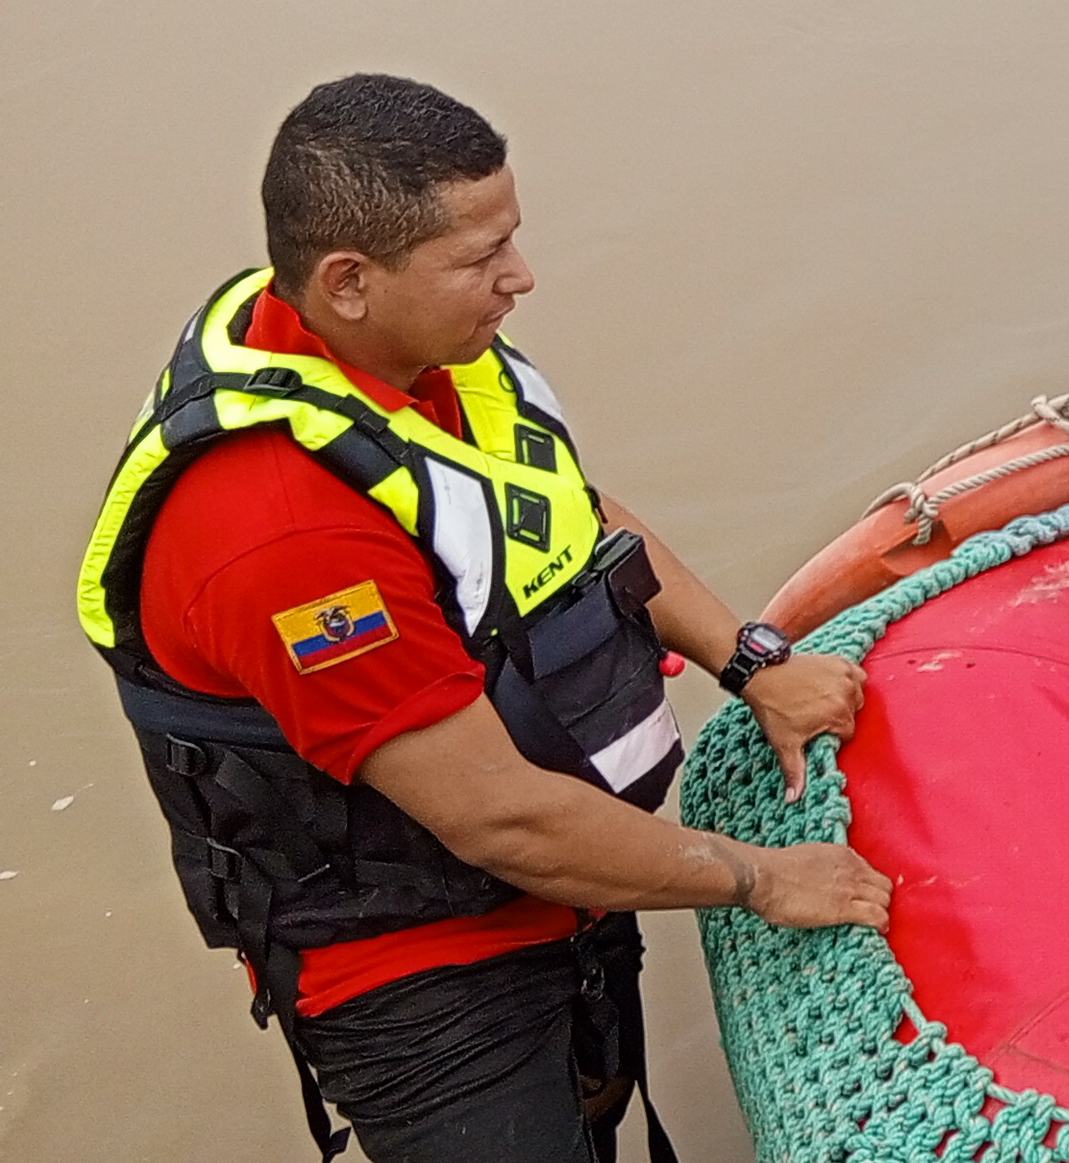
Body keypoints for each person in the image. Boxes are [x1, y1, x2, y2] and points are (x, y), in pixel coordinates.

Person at [79, 75, 895, 1163]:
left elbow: (557, 508)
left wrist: (747, 659)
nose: (522, 277)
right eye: (481, 257)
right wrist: (762, 876)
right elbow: (497, 819)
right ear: (349, 280)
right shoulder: (283, 534)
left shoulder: (411, 353)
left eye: (512, 236)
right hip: (420, 971)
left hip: (575, 876)